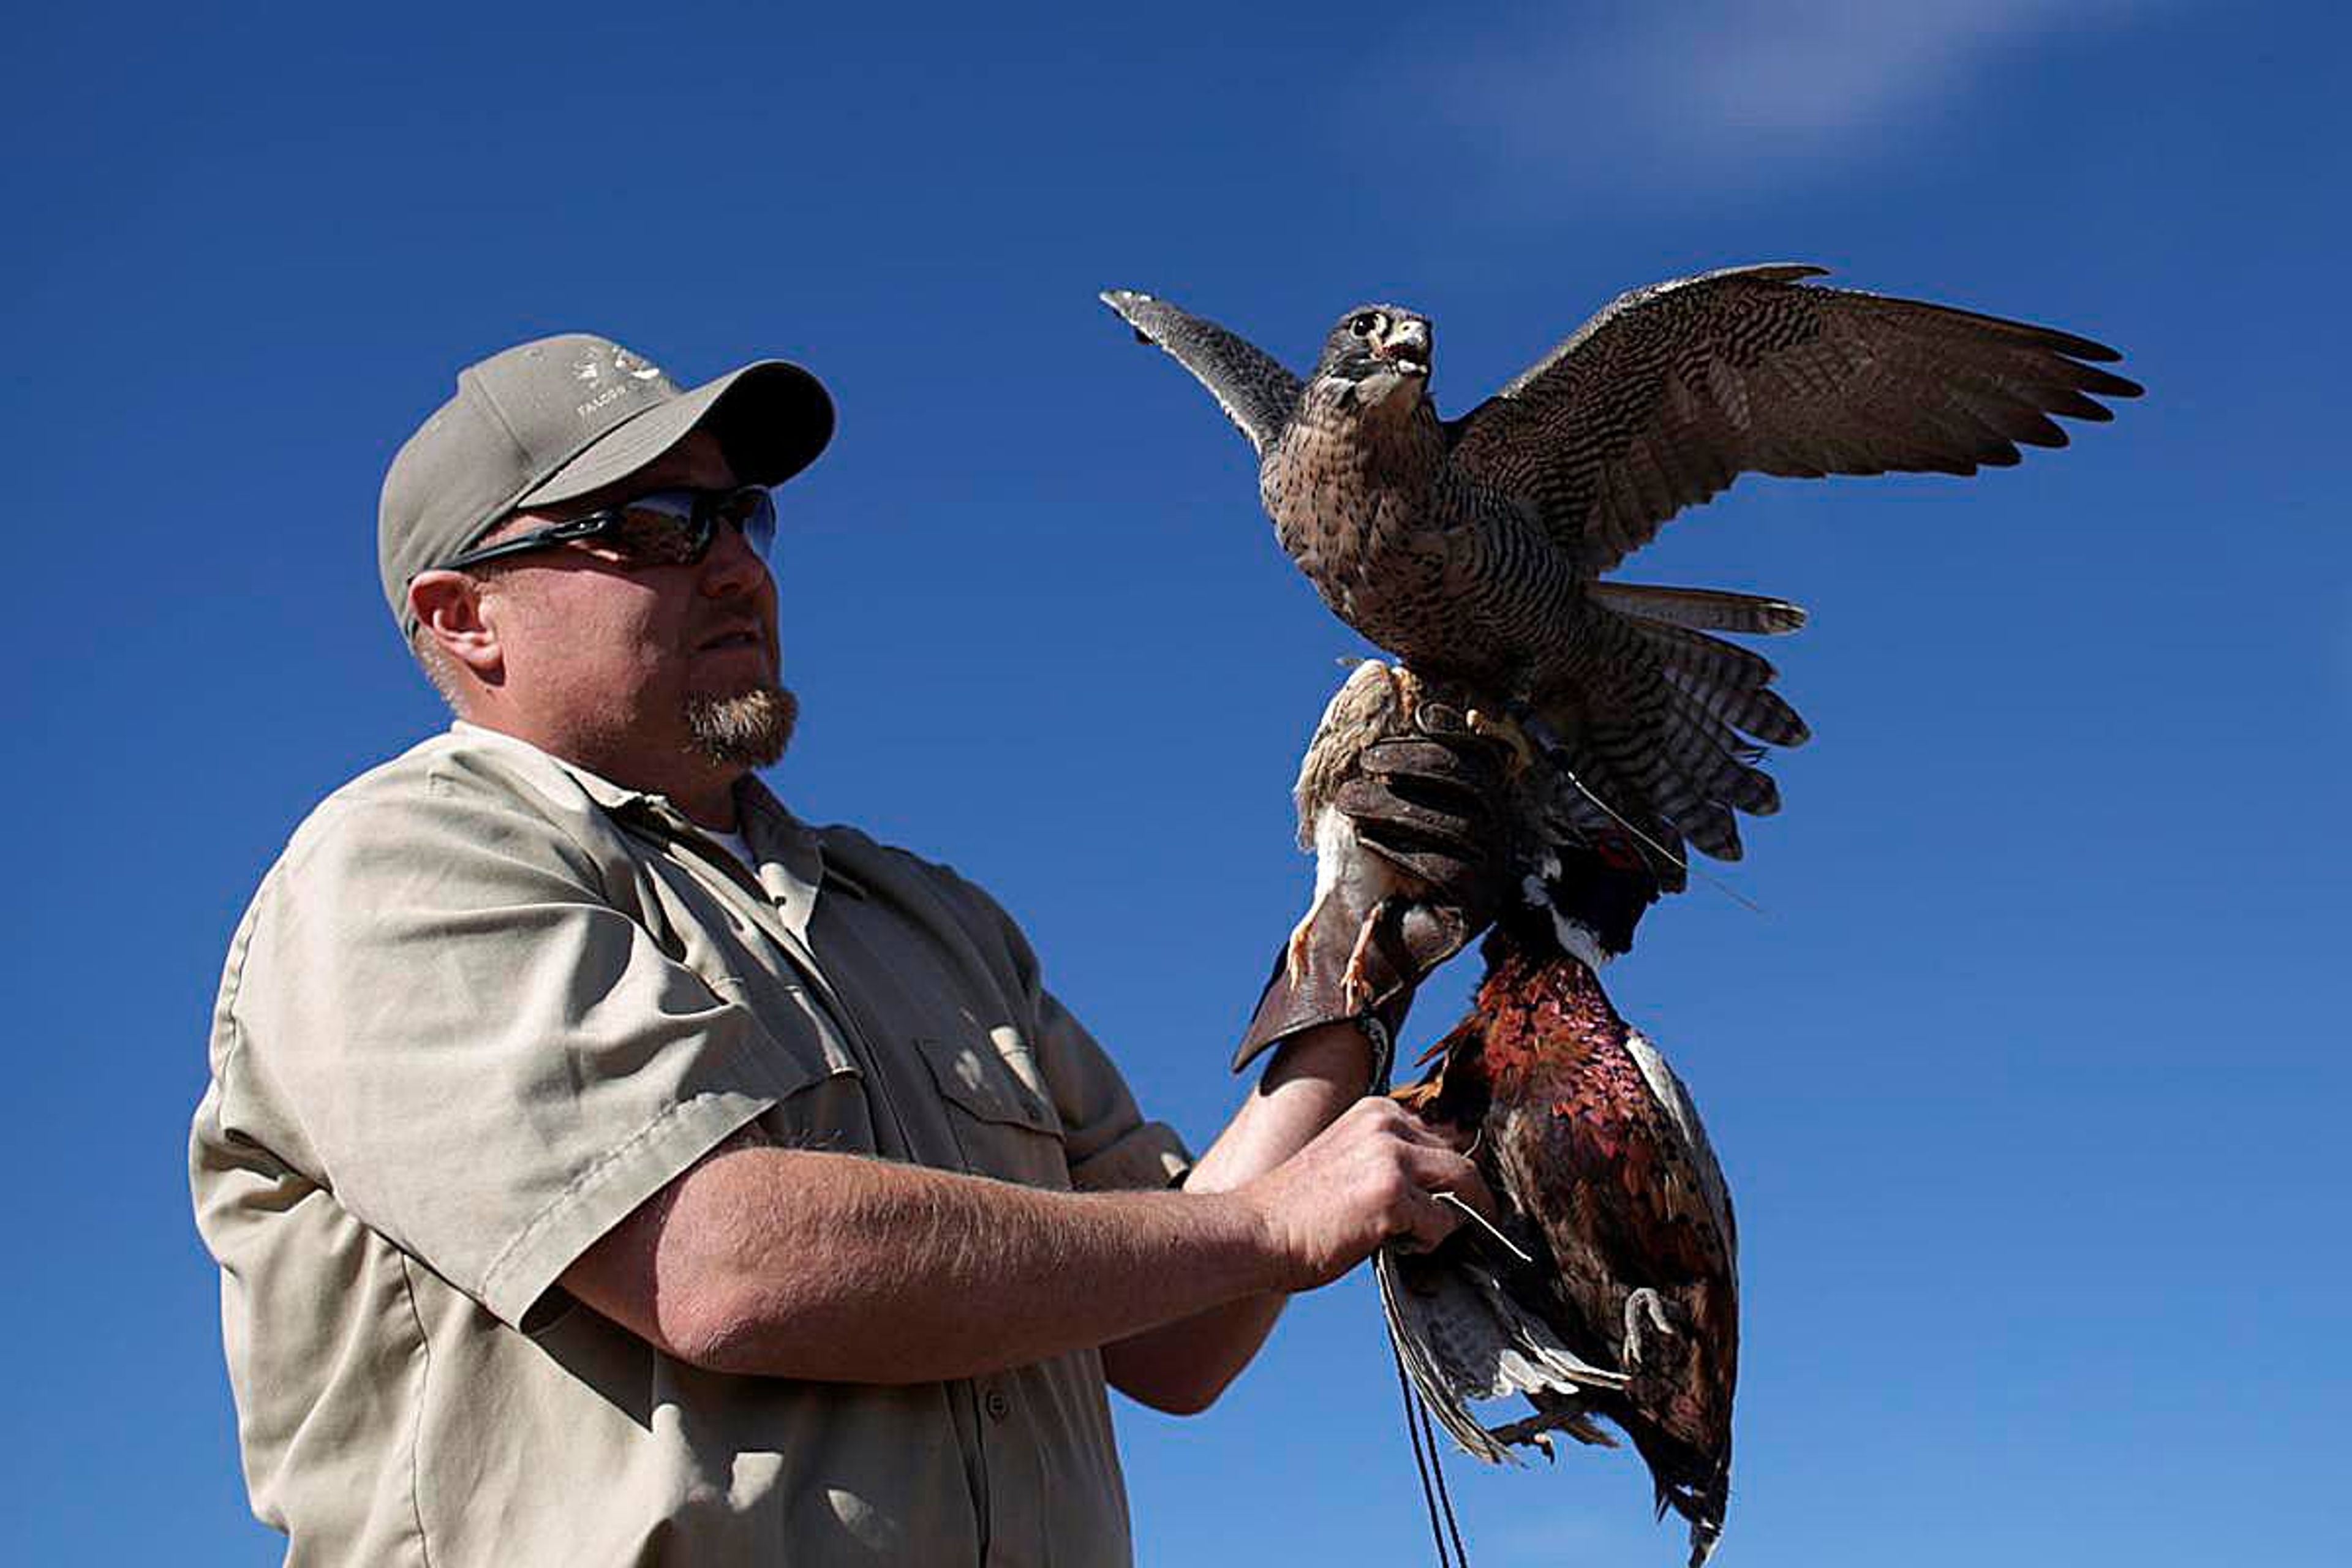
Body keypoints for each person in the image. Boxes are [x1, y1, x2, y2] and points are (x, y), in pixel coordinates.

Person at [190, 333, 1510, 1566]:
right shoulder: (402, 866)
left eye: (741, 515)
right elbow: (719, 1261)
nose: (737, 566)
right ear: (465, 614)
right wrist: (1268, 1221)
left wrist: (1359, 947)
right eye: (654, 527)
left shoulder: (931, 919)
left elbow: (1176, 1329)